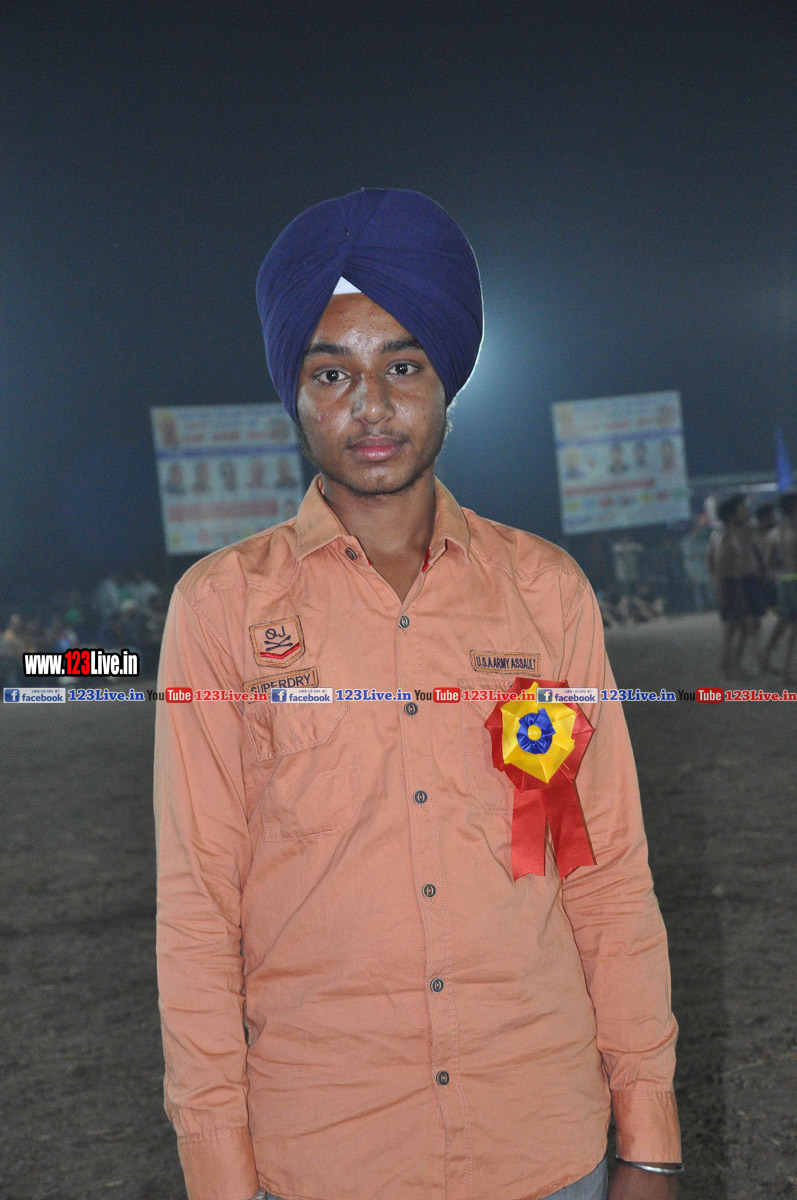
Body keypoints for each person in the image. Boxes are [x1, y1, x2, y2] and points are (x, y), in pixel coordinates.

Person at [154, 188, 682, 1200]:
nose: (370, 406)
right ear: (294, 392)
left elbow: (602, 872)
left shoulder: (541, 595)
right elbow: (198, 909)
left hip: (544, 1144)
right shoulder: (221, 610)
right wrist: (218, 1173)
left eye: (401, 366)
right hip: (328, 1152)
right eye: (330, 373)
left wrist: (648, 1137)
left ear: (445, 378)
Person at [708, 494, 766, 677]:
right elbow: (718, 564)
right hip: (730, 584)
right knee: (736, 627)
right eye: (742, 509)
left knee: (735, 627)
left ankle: (730, 666)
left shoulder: (742, 532)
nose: (747, 512)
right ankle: (731, 667)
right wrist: (720, 589)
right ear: (732, 514)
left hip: (738, 583)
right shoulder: (723, 535)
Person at [761, 492, 797, 682]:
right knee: (790, 626)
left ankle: (769, 656)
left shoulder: (775, 533)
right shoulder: (784, 532)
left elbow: (768, 562)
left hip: (784, 581)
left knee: (784, 623)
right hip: (791, 581)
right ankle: (787, 671)